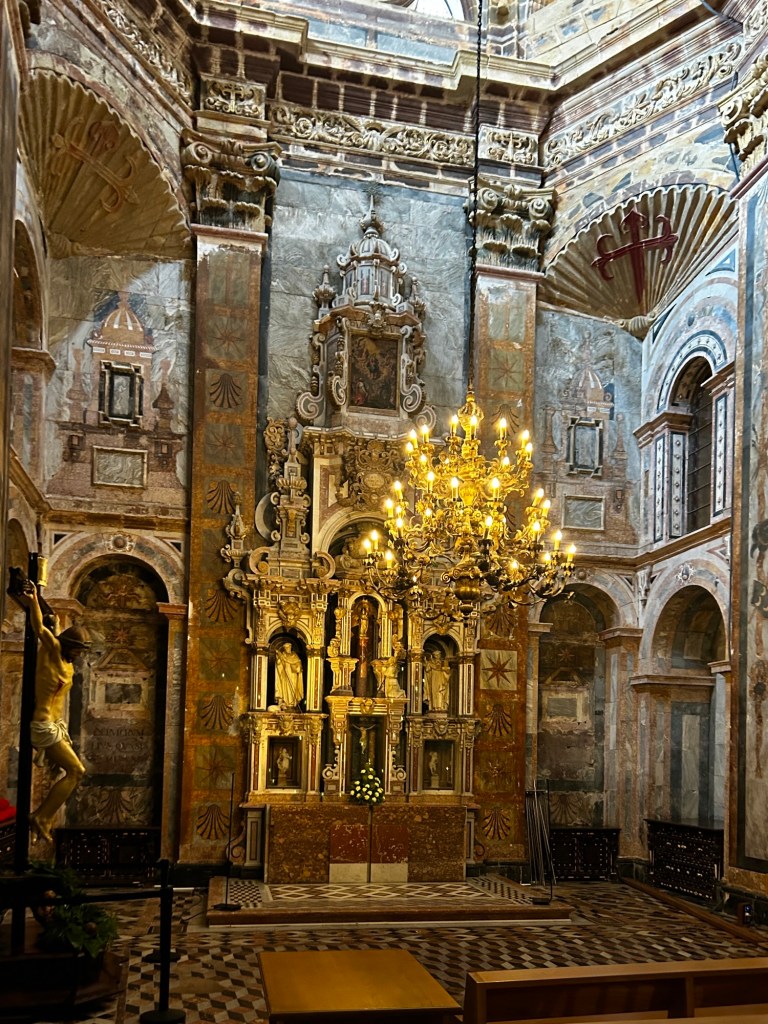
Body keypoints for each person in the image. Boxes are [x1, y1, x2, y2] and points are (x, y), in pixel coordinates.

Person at [14, 581, 92, 843]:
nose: (79, 655)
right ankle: (41, 817)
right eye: (77, 650)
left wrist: (56, 625)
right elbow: (39, 628)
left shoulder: (66, 661)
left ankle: (43, 817)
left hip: (57, 726)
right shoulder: (53, 650)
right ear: (67, 645)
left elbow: (56, 632)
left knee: (74, 772)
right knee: (76, 771)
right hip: (44, 726)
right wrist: (34, 600)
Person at [274, 642, 304, 708]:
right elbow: (279, 664)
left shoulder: (294, 655)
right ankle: (286, 702)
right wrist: (278, 658)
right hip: (285, 674)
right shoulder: (283, 655)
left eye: (288, 647)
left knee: (294, 687)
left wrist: (298, 667)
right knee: (285, 688)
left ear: (290, 647)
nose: (287, 649)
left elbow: (298, 663)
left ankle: (293, 703)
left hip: (293, 674)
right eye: (286, 648)